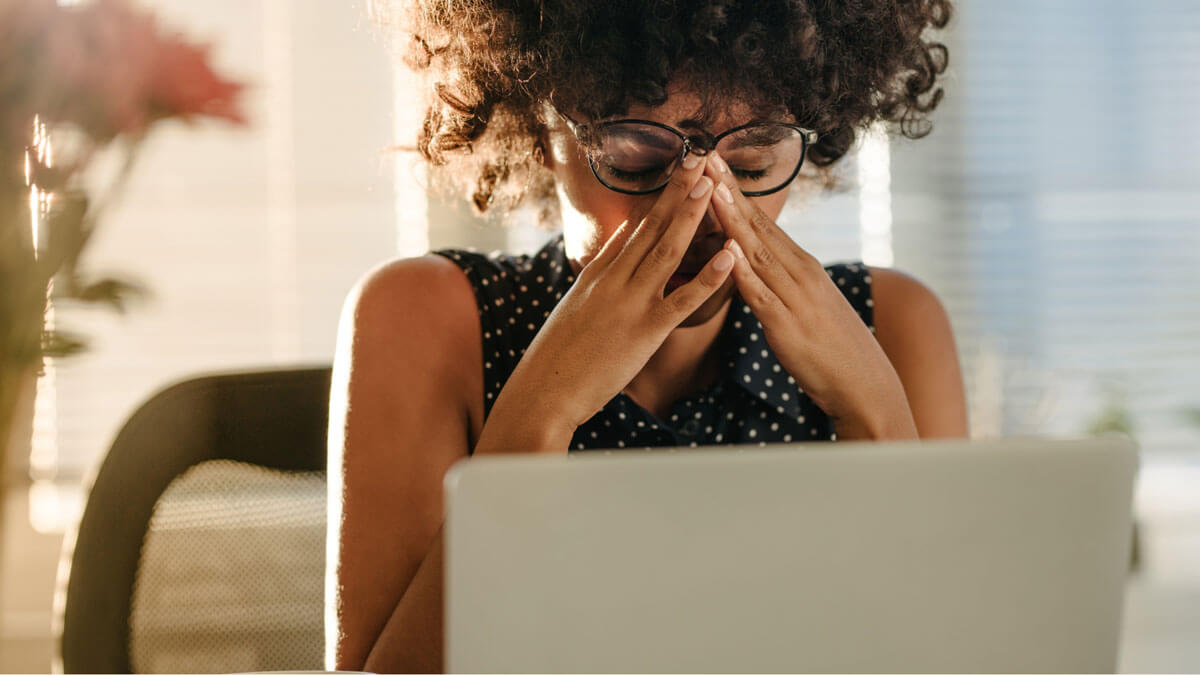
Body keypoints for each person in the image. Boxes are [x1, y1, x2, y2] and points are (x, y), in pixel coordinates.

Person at [329, 0, 966, 671]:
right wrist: (543, 409)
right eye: (634, 158)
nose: (702, 207)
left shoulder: (892, 323)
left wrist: (874, 410)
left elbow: (946, 650)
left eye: (751, 164)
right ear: (543, 133)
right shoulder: (428, 317)